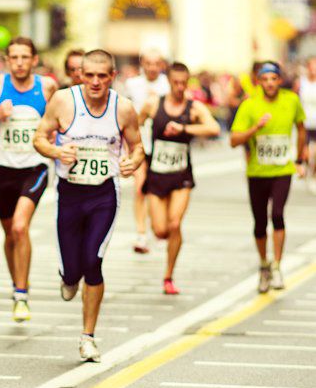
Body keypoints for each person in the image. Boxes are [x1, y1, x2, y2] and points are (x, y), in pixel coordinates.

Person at [33, 49, 145, 362]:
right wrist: (56, 153)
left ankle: (88, 337)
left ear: (112, 77)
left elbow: (138, 148)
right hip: (70, 192)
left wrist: (130, 163)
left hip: (104, 195)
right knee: (73, 270)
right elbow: (40, 138)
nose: (95, 82)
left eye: (102, 76)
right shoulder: (63, 101)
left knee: (93, 261)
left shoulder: (123, 108)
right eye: (89, 75)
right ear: (81, 74)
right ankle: (69, 277)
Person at [0, 37, 57, 322]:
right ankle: (17, 282)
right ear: (8, 60)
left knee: (20, 227)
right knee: (9, 234)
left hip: (35, 165)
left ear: (34, 60)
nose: (19, 62)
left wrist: (54, 135)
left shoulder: (47, 87)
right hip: (3, 167)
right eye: (14, 57)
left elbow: (59, 120)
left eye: (24, 57)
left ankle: (21, 292)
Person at [137, 62, 221, 294]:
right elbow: (134, 125)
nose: (179, 87)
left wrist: (185, 129)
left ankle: (168, 276)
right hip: (156, 174)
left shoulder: (194, 108)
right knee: (161, 230)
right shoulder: (154, 103)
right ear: (168, 81)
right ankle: (162, 244)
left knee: (175, 224)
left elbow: (214, 129)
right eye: (175, 82)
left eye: (184, 83)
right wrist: (136, 155)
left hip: (181, 175)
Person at [230, 62, 307, 293]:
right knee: (260, 222)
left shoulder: (291, 100)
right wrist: (255, 128)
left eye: (274, 78)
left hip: (283, 169)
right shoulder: (249, 105)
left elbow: (301, 127)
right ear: (259, 81)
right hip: (257, 172)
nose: (270, 83)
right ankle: (264, 264)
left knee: (278, 214)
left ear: (280, 80)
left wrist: (300, 160)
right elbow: (234, 140)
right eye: (266, 79)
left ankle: (277, 266)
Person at [124, 49, 169, 254]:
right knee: (140, 187)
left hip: (162, 144)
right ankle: (141, 233)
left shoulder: (167, 85)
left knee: (159, 189)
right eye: (148, 63)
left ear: (161, 65)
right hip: (139, 141)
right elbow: (126, 112)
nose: (151, 67)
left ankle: (158, 228)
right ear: (142, 64)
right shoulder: (132, 84)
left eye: (156, 63)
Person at [295, 56, 316, 193]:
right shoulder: (301, 83)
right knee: (307, 153)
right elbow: (294, 100)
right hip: (305, 122)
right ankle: (308, 167)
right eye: (311, 66)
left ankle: (314, 175)